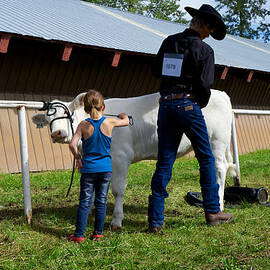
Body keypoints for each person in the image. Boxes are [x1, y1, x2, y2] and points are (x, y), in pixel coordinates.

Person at [148, 4, 234, 232]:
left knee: (165, 161)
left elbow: (156, 71)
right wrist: (199, 102)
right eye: (210, 29)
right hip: (188, 104)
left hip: (166, 105)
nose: (209, 34)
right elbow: (205, 85)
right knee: (205, 158)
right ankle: (213, 211)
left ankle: (156, 220)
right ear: (204, 24)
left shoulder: (169, 42)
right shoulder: (204, 51)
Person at [68, 90, 129, 243]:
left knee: (85, 202)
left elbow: (72, 144)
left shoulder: (83, 125)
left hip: (88, 169)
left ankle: (79, 235)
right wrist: (123, 116)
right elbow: (126, 121)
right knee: (101, 202)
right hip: (105, 170)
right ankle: (98, 234)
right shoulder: (110, 122)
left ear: (86, 109)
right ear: (104, 106)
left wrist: (78, 158)